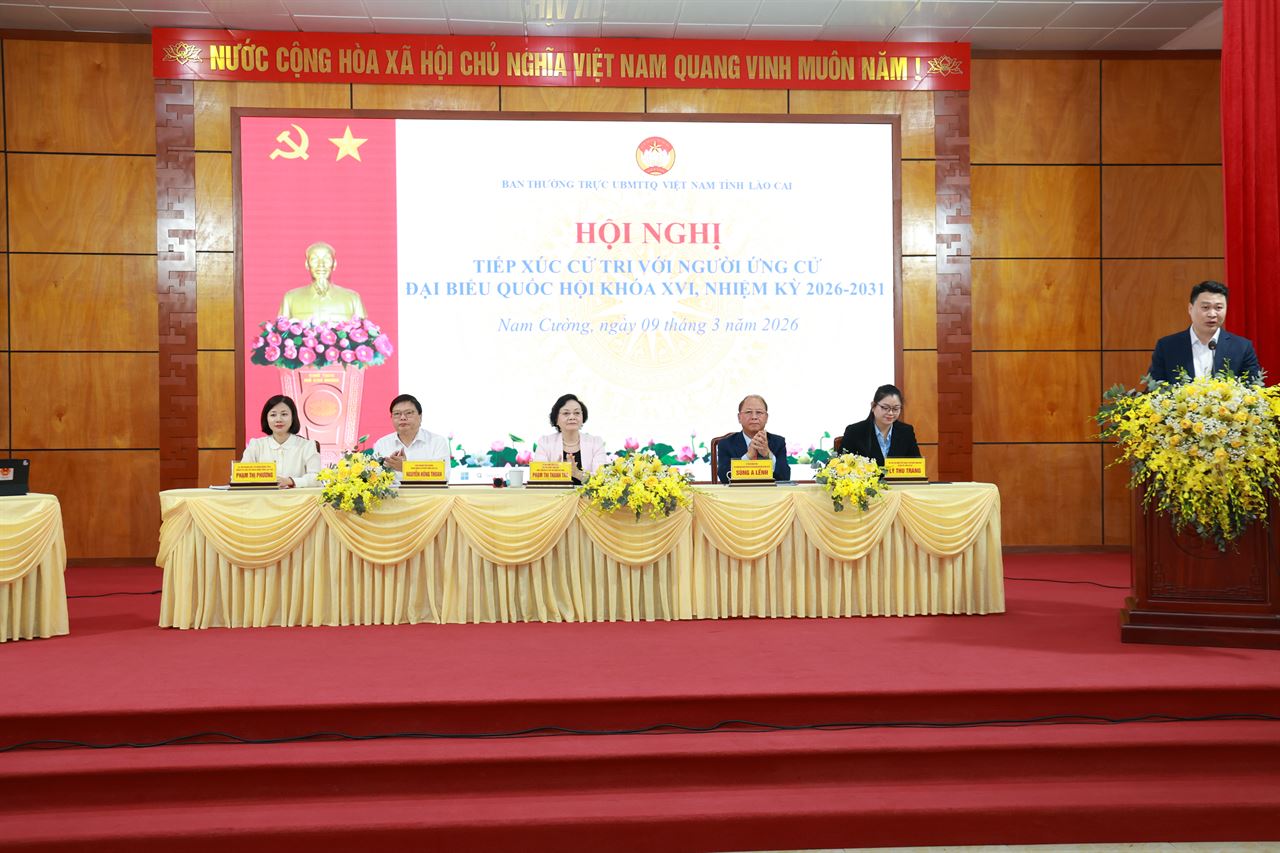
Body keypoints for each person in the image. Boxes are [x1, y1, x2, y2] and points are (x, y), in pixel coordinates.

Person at [1148, 280, 1260, 384]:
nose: (1212, 314)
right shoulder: (1167, 347)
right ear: (1190, 308)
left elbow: (1254, 388)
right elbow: (1154, 389)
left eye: (1218, 308)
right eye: (1205, 307)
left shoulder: (1242, 347)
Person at [241, 395, 321, 488]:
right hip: (263, 496)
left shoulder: (307, 446)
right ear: (266, 418)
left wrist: (290, 481)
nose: (278, 419)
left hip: (297, 497)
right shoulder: (256, 445)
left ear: (293, 417)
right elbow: (241, 476)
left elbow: (316, 478)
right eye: (273, 415)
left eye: (284, 414)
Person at [277, 241, 367, 323]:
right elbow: (281, 330)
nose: (321, 265)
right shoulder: (290, 298)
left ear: (334, 264)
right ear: (307, 265)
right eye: (314, 260)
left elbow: (364, 331)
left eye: (327, 259)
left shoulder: (353, 298)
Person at [533, 394, 610, 484]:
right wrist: (556, 472)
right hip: (555, 493)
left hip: (588, 493)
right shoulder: (545, 442)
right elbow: (537, 479)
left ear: (582, 417)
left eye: (577, 413)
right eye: (566, 413)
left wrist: (577, 473)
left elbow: (602, 479)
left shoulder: (596, 443)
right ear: (556, 419)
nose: (572, 417)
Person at [716, 394, 791, 484]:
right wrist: (748, 457)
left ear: (766, 418)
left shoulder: (778, 442)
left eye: (759, 412)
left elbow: (785, 477)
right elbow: (724, 478)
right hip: (739, 492)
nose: (754, 417)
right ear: (739, 418)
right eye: (748, 412)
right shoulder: (726, 444)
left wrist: (768, 455)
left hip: (768, 492)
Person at [840, 384, 922, 467]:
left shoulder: (906, 432)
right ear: (873, 406)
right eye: (885, 408)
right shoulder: (854, 431)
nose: (890, 413)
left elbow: (916, 465)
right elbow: (841, 465)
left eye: (895, 409)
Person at [372, 394, 449, 479]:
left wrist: (406, 468)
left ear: (420, 416)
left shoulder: (437, 442)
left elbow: (443, 476)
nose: (403, 418)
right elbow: (373, 477)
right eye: (397, 414)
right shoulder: (382, 444)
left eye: (408, 413)